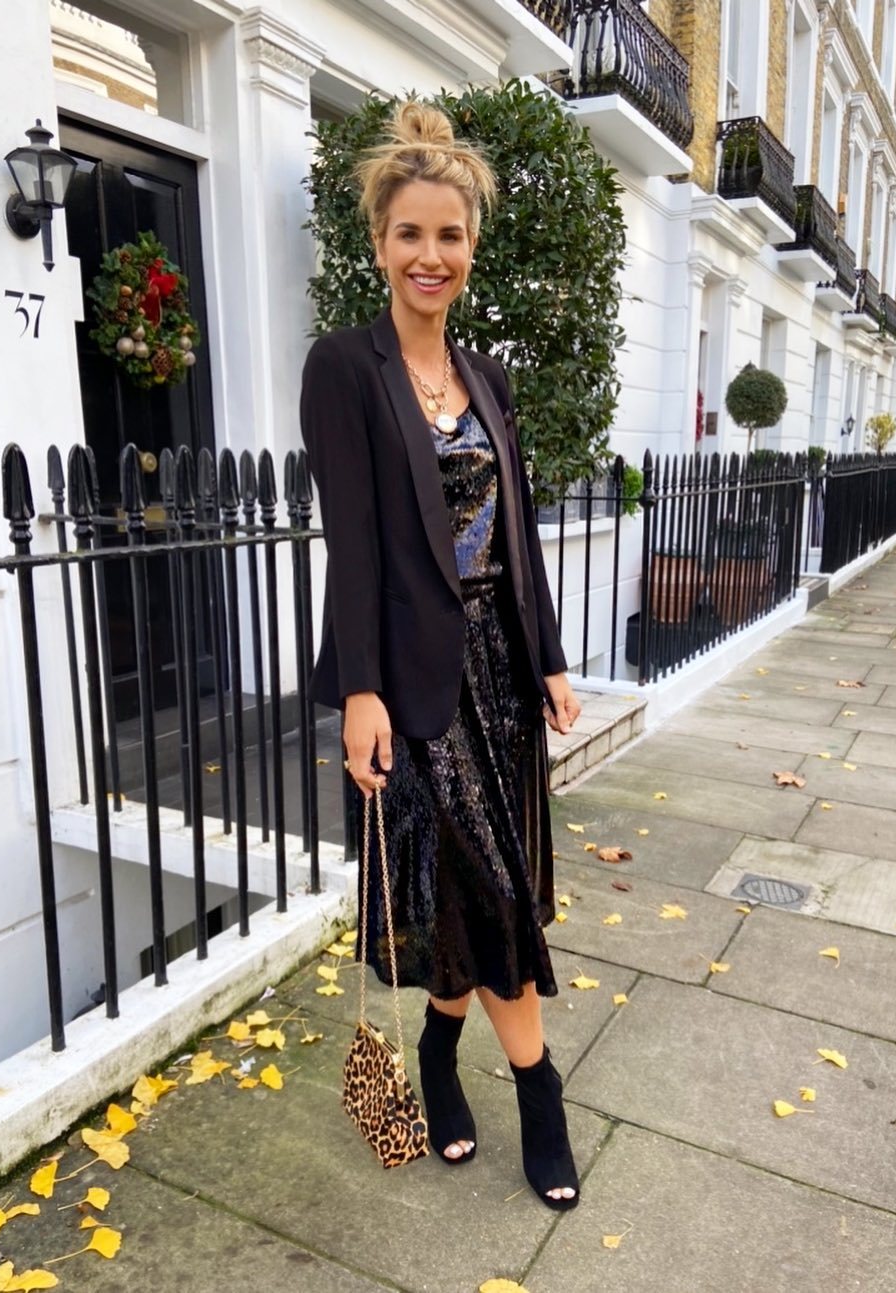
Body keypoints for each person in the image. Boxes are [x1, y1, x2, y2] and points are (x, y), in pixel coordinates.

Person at [300, 100, 583, 1210]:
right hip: (414, 684)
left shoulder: (488, 377)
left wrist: (548, 657)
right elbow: (353, 541)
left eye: (450, 235)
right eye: (410, 233)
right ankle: (541, 1094)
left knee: (474, 889)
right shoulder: (344, 368)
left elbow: (517, 537)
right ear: (379, 243)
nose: (431, 255)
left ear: (470, 247)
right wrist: (358, 691)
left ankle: (436, 1053)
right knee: (494, 889)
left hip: (501, 676)